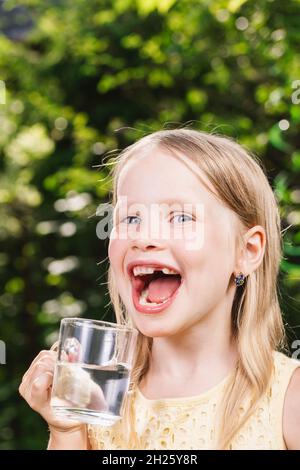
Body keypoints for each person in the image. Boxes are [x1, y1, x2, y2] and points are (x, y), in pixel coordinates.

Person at [19, 129, 300, 450]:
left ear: (247, 251)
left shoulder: (288, 400)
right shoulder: (92, 398)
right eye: (131, 218)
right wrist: (67, 431)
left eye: (180, 217)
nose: (144, 237)